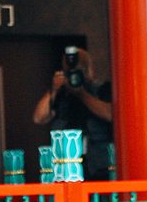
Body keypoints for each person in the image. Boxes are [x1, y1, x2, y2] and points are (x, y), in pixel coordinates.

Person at [33, 46, 115, 181]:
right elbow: (38, 117)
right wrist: (54, 90)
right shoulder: (61, 95)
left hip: (100, 165)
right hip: (67, 165)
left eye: (79, 71)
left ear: (88, 70)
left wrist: (81, 94)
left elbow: (109, 114)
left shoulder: (101, 89)